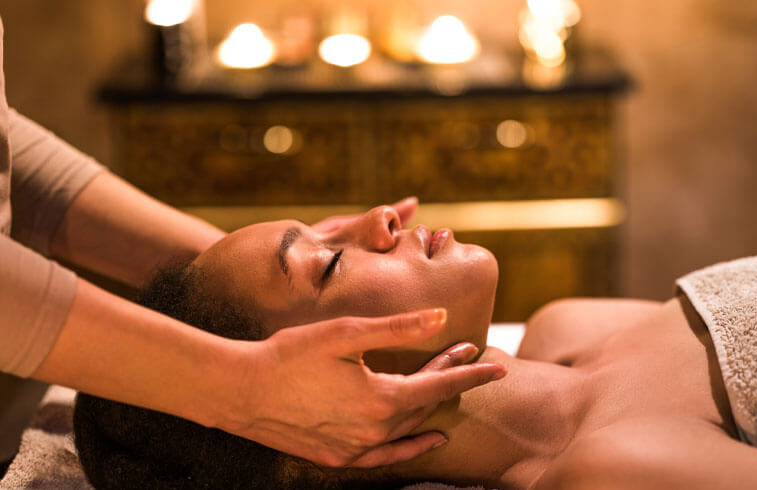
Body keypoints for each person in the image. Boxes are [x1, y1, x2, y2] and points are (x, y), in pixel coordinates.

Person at [0, 16, 506, 472]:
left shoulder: (552, 329)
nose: (381, 214)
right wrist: (236, 384)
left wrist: (235, 275)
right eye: (331, 263)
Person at [74, 206, 757, 489]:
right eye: (332, 262)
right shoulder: (614, 466)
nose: (380, 219)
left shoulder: (570, 327)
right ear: (316, 418)